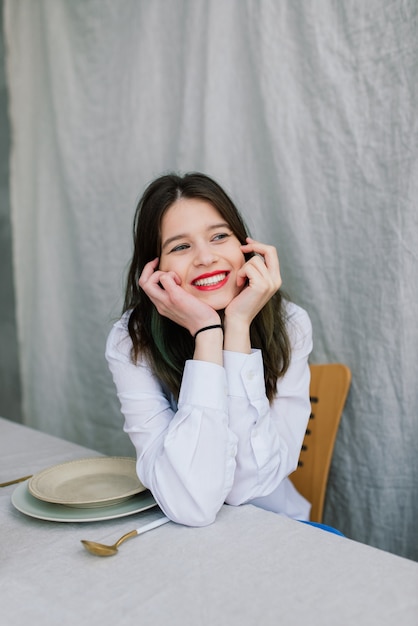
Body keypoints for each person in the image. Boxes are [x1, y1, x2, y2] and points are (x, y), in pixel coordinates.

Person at [105, 172, 313, 527]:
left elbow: (246, 487)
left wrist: (237, 328)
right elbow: (193, 504)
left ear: (244, 246)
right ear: (155, 269)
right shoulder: (132, 340)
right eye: (180, 247)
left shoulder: (291, 325)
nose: (205, 257)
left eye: (219, 236)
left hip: (279, 528)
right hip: (183, 541)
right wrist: (207, 334)